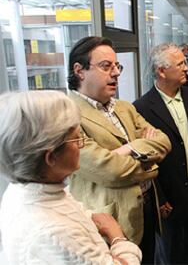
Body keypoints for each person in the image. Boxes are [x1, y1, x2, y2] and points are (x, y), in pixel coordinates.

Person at [0, 90, 142, 264]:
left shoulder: (28, 190)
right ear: (51, 157)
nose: (81, 146)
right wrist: (117, 238)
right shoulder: (56, 232)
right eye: (76, 140)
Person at [67, 36, 171, 263]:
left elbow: (164, 141)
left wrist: (129, 148)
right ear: (79, 70)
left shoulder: (124, 107)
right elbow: (109, 170)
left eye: (117, 66)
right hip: (111, 222)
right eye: (106, 66)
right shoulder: (67, 115)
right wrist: (149, 162)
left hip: (146, 208)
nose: (116, 73)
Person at [133, 43, 188, 265]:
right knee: (172, 254)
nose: (186, 67)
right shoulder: (141, 108)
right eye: (180, 64)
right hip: (168, 198)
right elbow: (144, 161)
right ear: (161, 71)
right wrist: (160, 197)